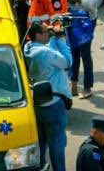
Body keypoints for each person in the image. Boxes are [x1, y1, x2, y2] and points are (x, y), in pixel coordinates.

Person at [24, 22, 71, 171]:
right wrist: (61, 39)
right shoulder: (45, 53)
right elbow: (67, 62)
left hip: (38, 102)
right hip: (54, 103)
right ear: (38, 35)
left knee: (41, 142)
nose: (49, 33)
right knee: (57, 144)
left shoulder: (28, 49)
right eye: (46, 32)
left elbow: (45, 50)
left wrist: (52, 37)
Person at [64, 0, 102, 98]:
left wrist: (82, 1)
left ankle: (87, 86)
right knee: (72, 51)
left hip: (86, 17)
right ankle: (73, 83)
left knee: (84, 52)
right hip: (70, 15)